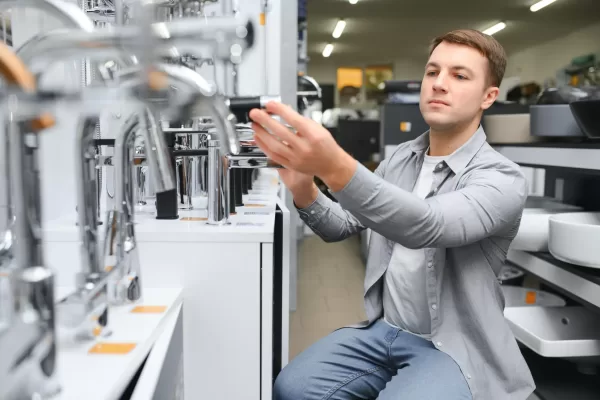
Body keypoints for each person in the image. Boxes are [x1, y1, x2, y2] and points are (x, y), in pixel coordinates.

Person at [249, 29, 535, 400]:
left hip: (451, 345)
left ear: (489, 96)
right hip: (385, 330)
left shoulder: (502, 178)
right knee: (294, 387)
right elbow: (343, 227)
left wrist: (337, 167)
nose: (439, 84)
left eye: (459, 75)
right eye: (433, 72)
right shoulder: (400, 159)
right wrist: (303, 186)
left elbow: (427, 225)